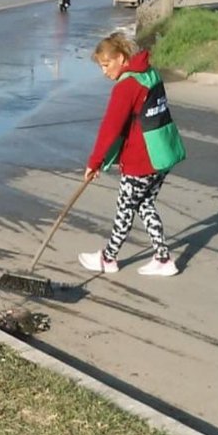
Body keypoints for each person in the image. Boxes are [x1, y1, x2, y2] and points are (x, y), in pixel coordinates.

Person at [77, 31, 179, 278]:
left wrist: (95, 162)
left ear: (121, 58)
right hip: (162, 153)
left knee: (125, 208)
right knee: (144, 204)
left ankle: (108, 258)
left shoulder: (127, 85)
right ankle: (163, 259)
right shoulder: (149, 73)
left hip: (141, 159)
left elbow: (111, 128)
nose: (104, 71)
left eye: (106, 64)